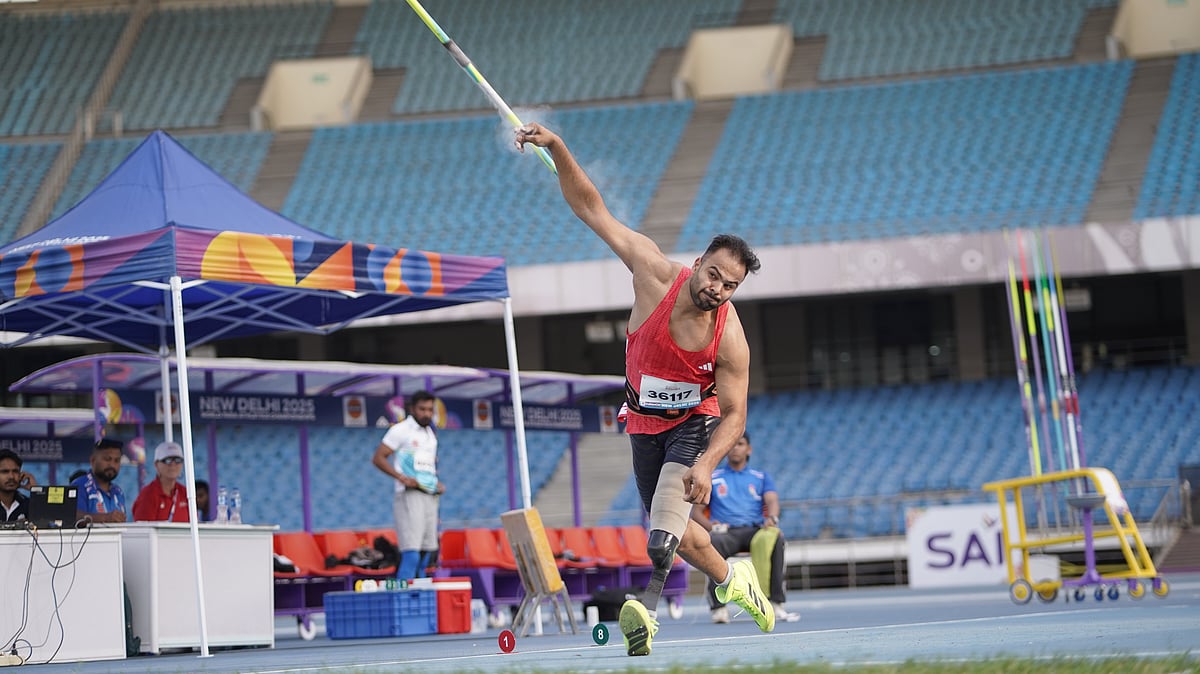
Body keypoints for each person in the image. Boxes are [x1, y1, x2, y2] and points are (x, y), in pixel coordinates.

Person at [516, 123, 773, 656]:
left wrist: (706, 465)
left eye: (731, 286)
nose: (718, 290)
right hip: (642, 424)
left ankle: (645, 616)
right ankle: (736, 578)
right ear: (699, 261)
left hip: (693, 425)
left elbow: (735, 416)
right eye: (716, 276)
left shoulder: (730, 336)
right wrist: (558, 144)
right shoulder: (654, 273)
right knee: (681, 535)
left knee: (661, 538)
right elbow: (591, 208)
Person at [692, 432, 800, 624]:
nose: (735, 448)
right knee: (711, 542)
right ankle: (718, 608)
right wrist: (711, 526)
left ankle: (776, 604)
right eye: (732, 444)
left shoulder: (760, 477)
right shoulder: (713, 477)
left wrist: (772, 518)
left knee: (776, 538)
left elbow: (772, 500)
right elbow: (696, 512)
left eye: (740, 444)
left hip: (755, 531)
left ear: (748, 449)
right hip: (726, 533)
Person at [371, 390, 444, 581]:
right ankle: (403, 601)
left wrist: (436, 483)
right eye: (422, 409)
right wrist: (401, 477)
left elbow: (426, 465)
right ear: (412, 409)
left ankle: (421, 600)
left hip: (429, 495)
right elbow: (378, 458)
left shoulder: (430, 434)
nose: (427, 413)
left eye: (430, 409)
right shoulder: (401, 430)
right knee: (411, 553)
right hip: (409, 495)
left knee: (426, 553)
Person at [71, 438, 128, 524]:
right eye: (107, 459)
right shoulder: (80, 486)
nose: (112, 465)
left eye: (117, 460)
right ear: (93, 461)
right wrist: (106, 518)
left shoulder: (118, 492)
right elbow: (72, 517)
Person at [132, 441, 190, 522]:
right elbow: (143, 530)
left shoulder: (185, 493)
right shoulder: (148, 494)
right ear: (156, 464)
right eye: (167, 460)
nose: (173, 464)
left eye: (177, 460)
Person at [0, 449, 37, 523]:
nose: (11, 476)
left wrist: (35, 491)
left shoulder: (27, 504)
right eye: (5, 472)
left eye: (15, 471)